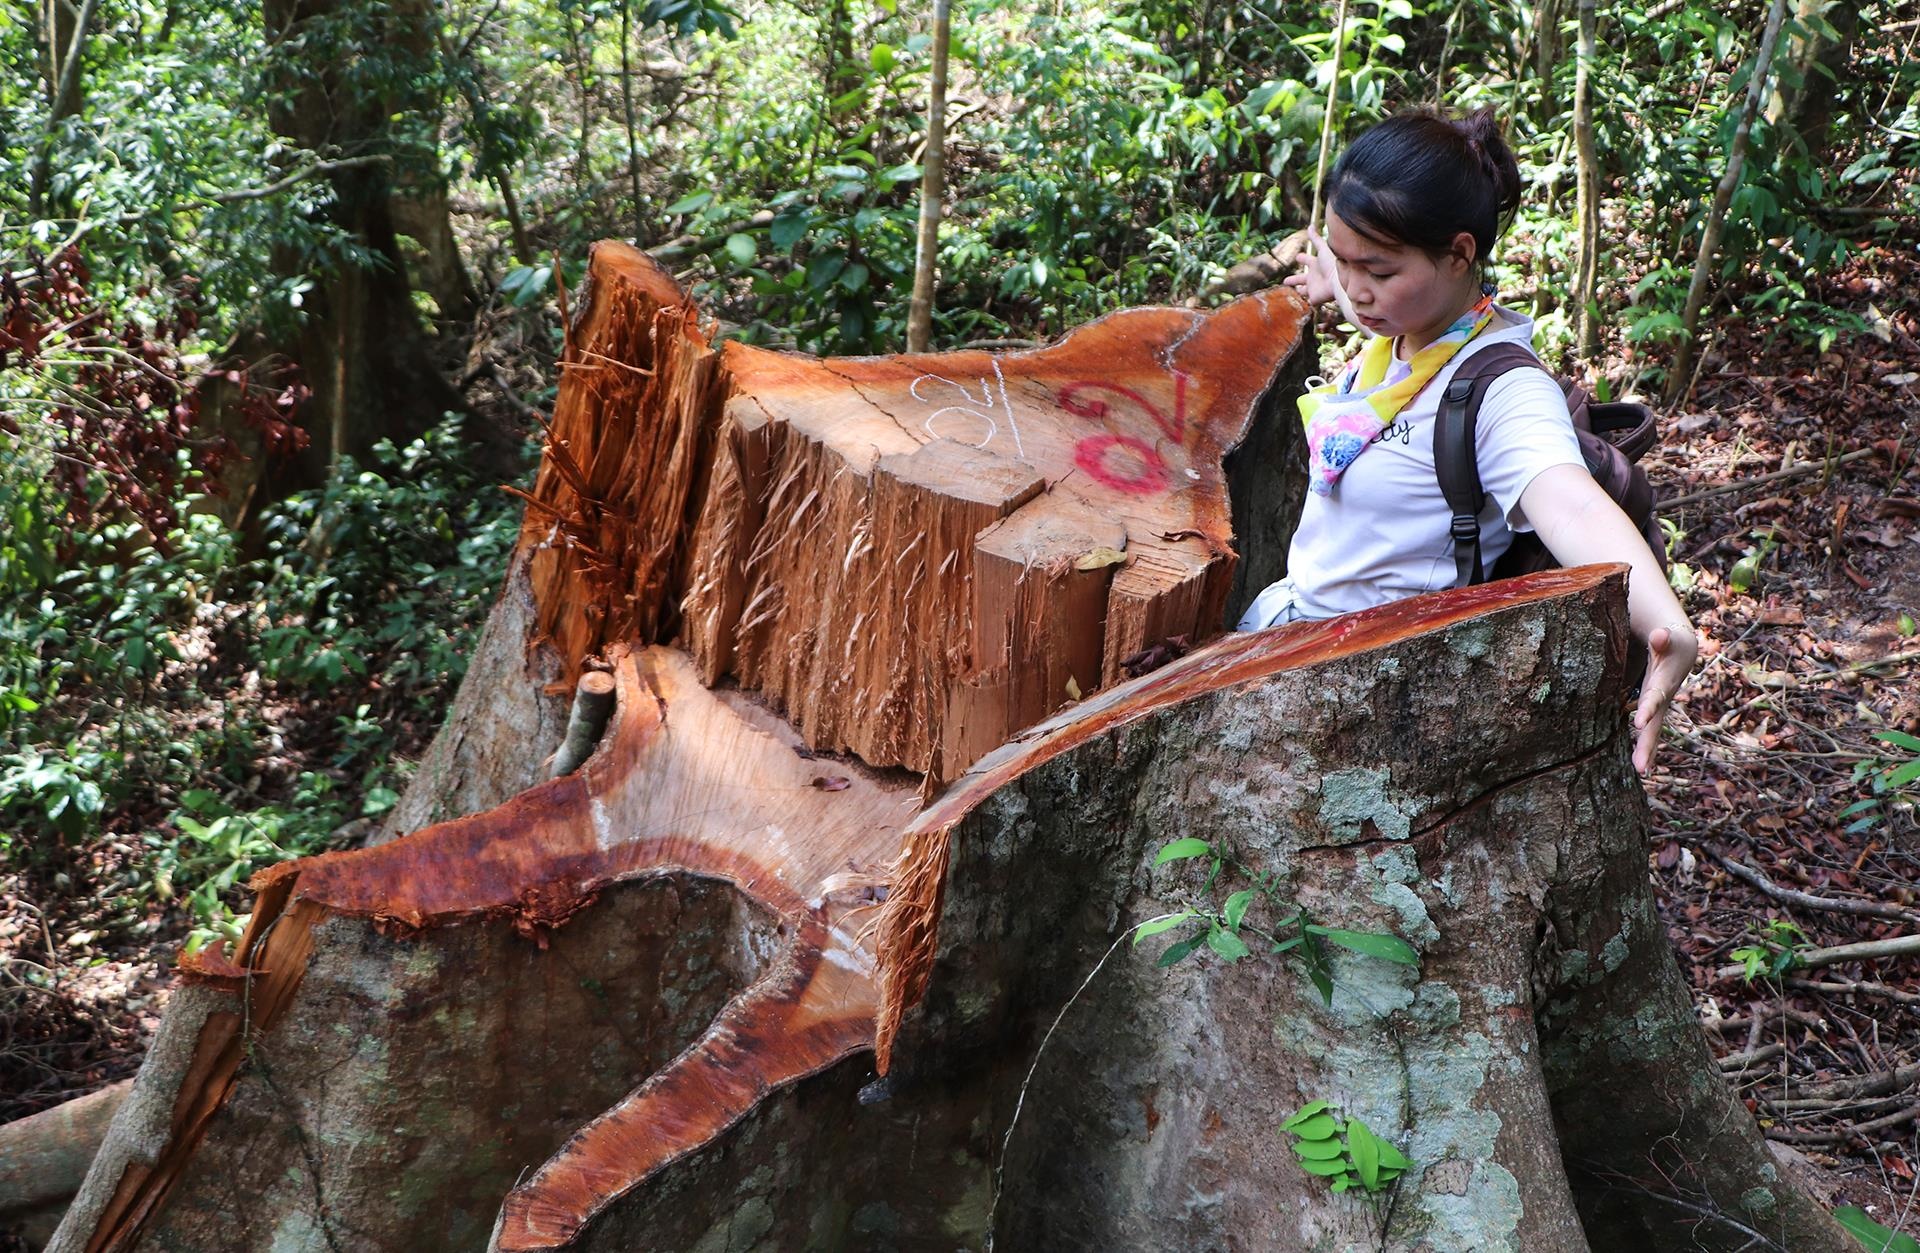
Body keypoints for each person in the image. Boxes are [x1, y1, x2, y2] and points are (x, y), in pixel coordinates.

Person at [1237, 106, 1696, 775]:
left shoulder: (1502, 391)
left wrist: (1667, 624)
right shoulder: (1408, 327)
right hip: (1289, 638)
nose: (1358, 291)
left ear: (1459, 254)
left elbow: (1570, 503)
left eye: (1378, 270)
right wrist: (1328, 279)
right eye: (1343, 261)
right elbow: (1363, 287)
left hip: (1362, 695)